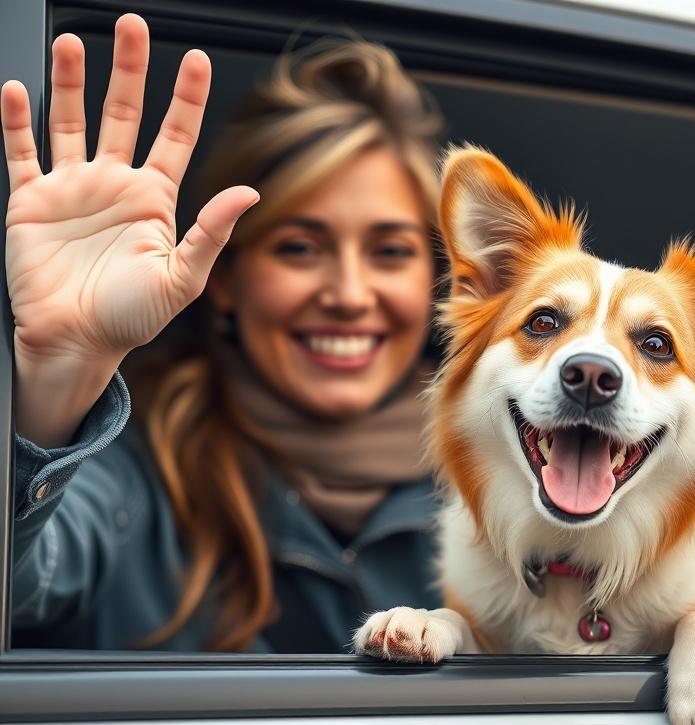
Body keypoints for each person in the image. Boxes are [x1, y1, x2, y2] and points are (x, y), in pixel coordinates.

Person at [1, 13, 444, 651]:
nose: (349, 295)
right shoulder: (139, 467)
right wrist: (60, 371)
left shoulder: (519, 474)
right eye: (298, 248)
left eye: (391, 251)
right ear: (229, 278)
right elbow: (19, 587)